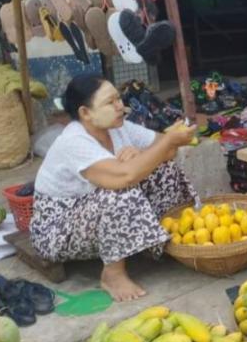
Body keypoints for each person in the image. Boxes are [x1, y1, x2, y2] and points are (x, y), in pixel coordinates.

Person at [30, 74, 197, 302]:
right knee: (119, 191)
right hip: (58, 229)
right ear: (85, 113)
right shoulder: (73, 141)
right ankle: (113, 274)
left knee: (163, 170)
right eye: (110, 102)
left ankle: (160, 241)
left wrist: (146, 152)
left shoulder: (118, 127)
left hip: (93, 213)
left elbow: (166, 151)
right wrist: (167, 142)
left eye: (118, 99)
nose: (120, 106)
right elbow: (124, 177)